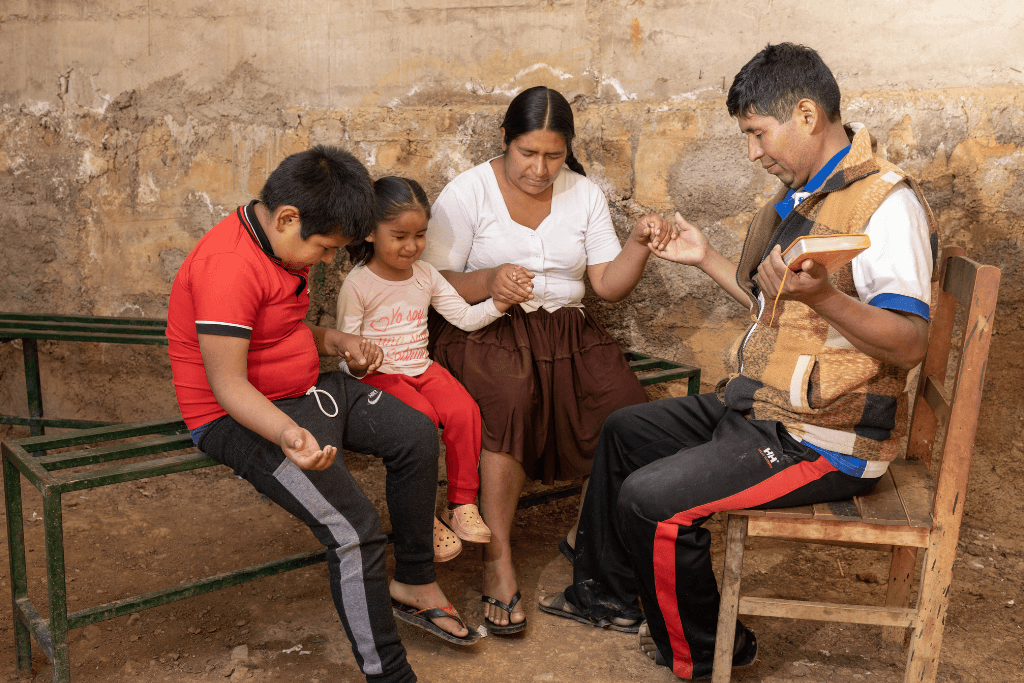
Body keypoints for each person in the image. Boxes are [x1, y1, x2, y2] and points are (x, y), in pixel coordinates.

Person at [538, 43, 937, 681]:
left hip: (825, 437)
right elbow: (776, 304)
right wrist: (704, 258)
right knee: (625, 432)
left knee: (651, 502)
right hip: (763, 406)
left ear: (806, 115)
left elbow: (909, 343)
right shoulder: (803, 197)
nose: (753, 152)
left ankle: (699, 654)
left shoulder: (887, 205)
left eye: (757, 133)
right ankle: (606, 597)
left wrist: (829, 297)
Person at [167, 147, 480, 683]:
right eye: (326, 247)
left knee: (415, 431)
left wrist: (334, 339)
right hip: (243, 415)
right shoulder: (228, 266)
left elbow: (272, 329)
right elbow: (228, 384)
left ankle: (414, 580)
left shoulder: (276, 244)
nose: (330, 260)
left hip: (309, 389)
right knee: (355, 529)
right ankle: (390, 674)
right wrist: (289, 434)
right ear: (288, 217)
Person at [421, 85, 677, 634]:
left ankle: (586, 533)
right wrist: (490, 280)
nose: (540, 169)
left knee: (627, 410)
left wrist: (637, 242)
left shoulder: (583, 194)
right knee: (509, 400)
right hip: (484, 328)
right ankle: (498, 557)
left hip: (565, 331)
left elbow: (607, 284)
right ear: (506, 143)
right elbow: (430, 280)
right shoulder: (467, 194)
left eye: (553, 155)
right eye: (527, 154)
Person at [337, 176, 517, 561]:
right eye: (399, 235)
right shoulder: (358, 285)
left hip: (423, 368)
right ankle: (420, 516)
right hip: (380, 376)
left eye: (420, 235)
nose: (411, 246)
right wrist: (357, 364)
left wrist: (498, 304)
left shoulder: (425, 275)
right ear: (370, 232)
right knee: (419, 424)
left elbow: (464, 318)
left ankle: (462, 503)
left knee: (464, 411)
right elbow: (344, 350)